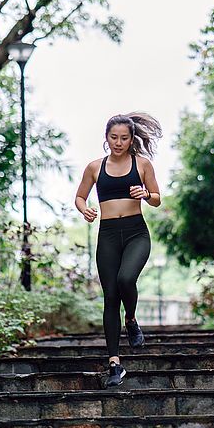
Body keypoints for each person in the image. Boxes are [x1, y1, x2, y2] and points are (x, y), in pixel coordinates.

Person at [74, 112, 162, 387]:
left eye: (124, 138)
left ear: (132, 139)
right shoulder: (94, 168)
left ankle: (132, 320)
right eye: (114, 137)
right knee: (110, 296)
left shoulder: (143, 164)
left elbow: (158, 198)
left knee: (126, 279)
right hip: (108, 235)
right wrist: (85, 209)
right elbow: (79, 196)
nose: (118, 142)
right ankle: (114, 364)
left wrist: (146, 195)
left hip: (136, 232)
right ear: (106, 138)